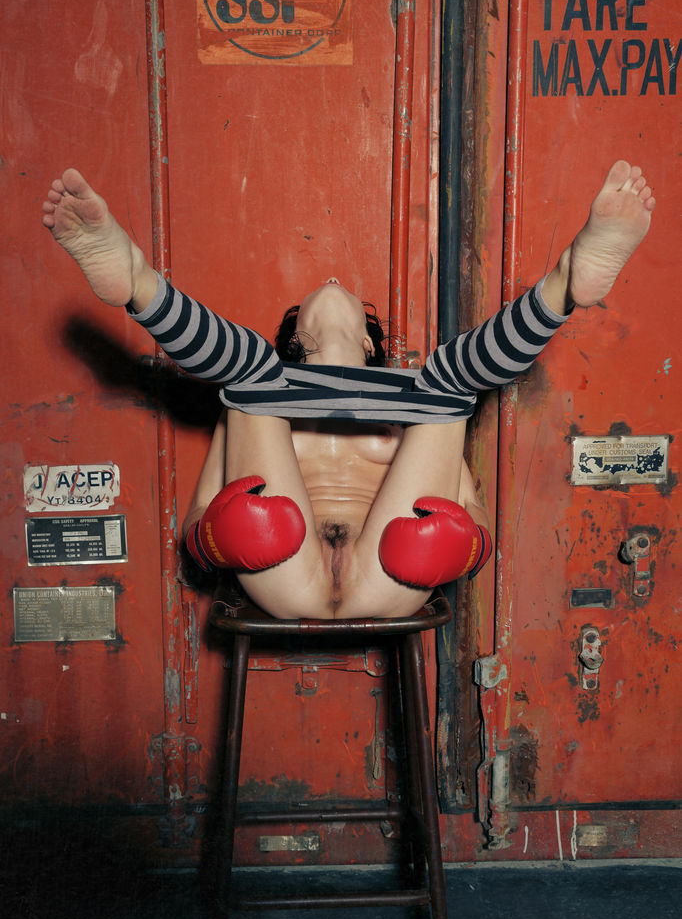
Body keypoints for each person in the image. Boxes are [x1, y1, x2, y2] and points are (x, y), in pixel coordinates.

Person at [41, 162, 655, 620]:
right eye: (314, 294)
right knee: (250, 373)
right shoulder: (262, 393)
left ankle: (565, 281)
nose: (332, 278)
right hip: (286, 575)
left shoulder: (409, 399)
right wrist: (216, 538)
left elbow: (471, 509)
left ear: (368, 342)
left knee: (444, 381)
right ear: (295, 339)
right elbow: (198, 520)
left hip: (389, 574)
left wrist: (466, 546)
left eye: (346, 293)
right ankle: (137, 282)